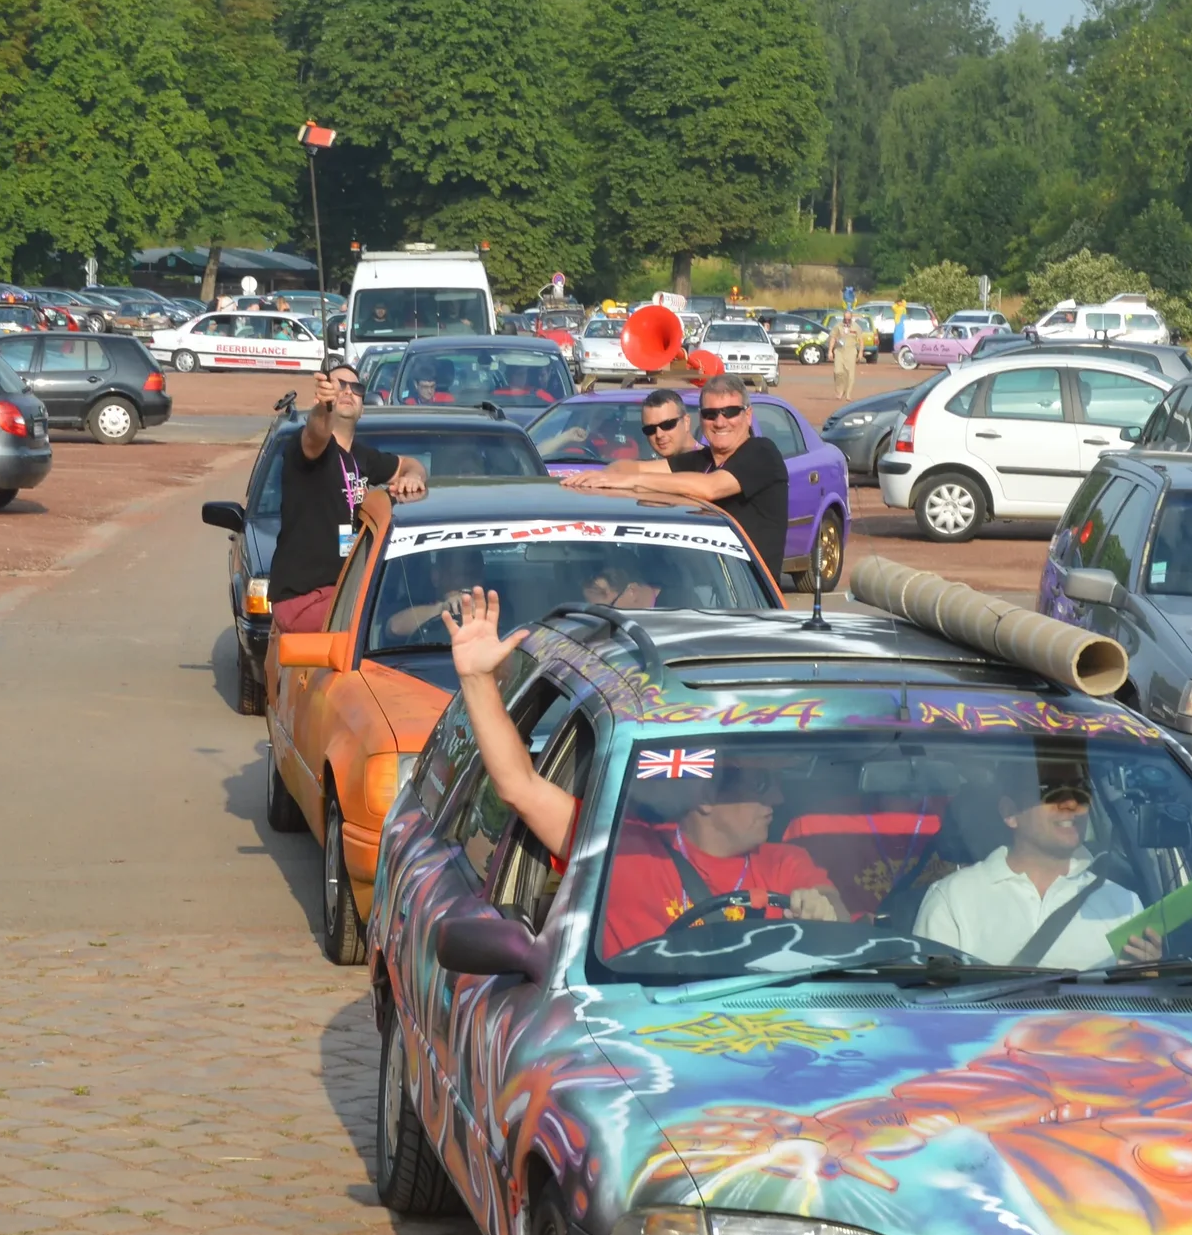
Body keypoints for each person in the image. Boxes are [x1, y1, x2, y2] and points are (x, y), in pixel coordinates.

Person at [442, 591, 843, 954]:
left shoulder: (785, 863)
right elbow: (519, 787)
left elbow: (835, 908)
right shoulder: (623, 849)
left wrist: (826, 915)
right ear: (705, 797)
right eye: (760, 785)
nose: (778, 799)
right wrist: (477, 680)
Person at [914, 765, 1161, 968]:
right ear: (1010, 813)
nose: (1071, 804)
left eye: (1081, 790)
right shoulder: (952, 899)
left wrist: (1147, 974)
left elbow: (1140, 1013)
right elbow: (927, 1009)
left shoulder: (1122, 905)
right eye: (1052, 791)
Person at [568, 372, 788, 583]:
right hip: (705, 593)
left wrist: (633, 482)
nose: (720, 422)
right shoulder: (700, 460)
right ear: (700, 418)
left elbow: (710, 488)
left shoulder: (762, 452)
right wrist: (604, 477)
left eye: (730, 412)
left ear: (748, 415)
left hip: (751, 597)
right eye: (710, 414)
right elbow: (629, 469)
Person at [269, 364, 427, 635]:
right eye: (338, 385)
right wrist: (323, 409)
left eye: (356, 388)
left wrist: (413, 477)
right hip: (308, 600)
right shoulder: (306, 445)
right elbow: (316, 433)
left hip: (346, 592)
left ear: (363, 406)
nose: (347, 391)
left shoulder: (362, 457)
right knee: (387, 624)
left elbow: (411, 464)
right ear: (324, 395)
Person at [830, 310, 862, 402]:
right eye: (845, 318)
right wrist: (830, 351)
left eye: (849, 319)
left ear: (851, 318)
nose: (847, 320)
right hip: (839, 350)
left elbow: (860, 340)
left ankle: (848, 394)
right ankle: (840, 390)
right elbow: (833, 338)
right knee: (837, 371)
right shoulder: (838, 326)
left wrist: (860, 352)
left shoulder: (856, 327)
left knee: (850, 373)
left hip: (851, 350)